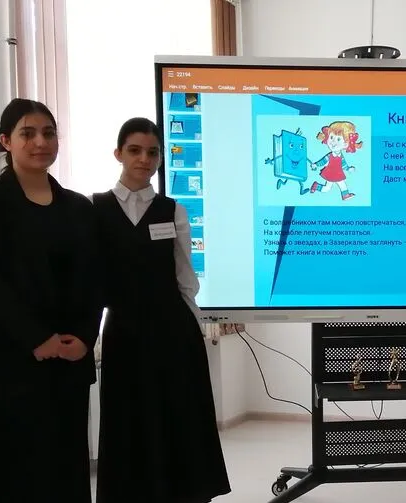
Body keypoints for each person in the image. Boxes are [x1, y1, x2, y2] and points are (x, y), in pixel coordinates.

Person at [0, 98, 101, 503]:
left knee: (66, 479)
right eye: (28, 133)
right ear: (5, 141)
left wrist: (85, 337)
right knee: (12, 480)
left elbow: (94, 281)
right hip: (5, 369)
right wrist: (36, 338)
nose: (41, 142)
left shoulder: (78, 207)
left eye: (49, 133)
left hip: (68, 366)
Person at [92, 117, 231, 503]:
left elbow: (185, 276)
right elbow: (91, 276)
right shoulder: (96, 208)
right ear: (118, 154)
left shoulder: (173, 210)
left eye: (152, 152)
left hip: (172, 330)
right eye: (135, 150)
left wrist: (196, 328)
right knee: (127, 419)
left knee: (178, 417)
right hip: (124, 331)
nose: (144, 159)